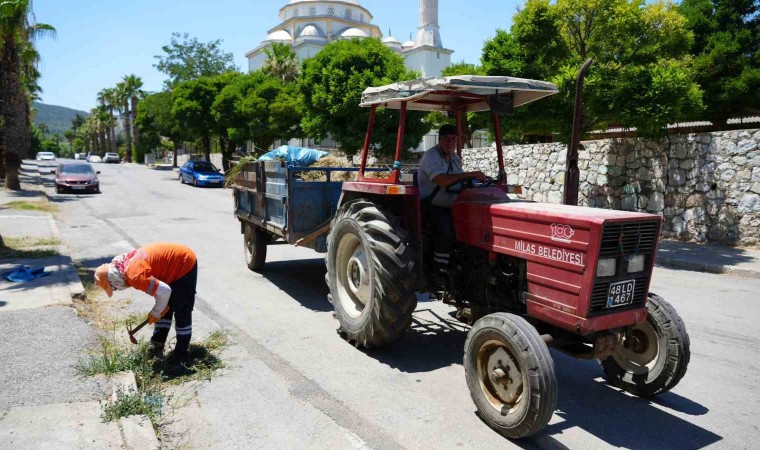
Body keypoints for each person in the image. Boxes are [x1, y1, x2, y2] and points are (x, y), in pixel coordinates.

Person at [94, 242, 198, 371]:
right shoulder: (124, 265)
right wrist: (159, 309)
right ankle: (157, 344)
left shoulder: (134, 276)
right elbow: (161, 291)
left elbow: (164, 291)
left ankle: (181, 357)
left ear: (113, 279)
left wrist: (155, 312)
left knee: (182, 310)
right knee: (165, 306)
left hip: (183, 263)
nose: (117, 290)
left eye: (113, 287)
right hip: (171, 266)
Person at [418, 125, 486, 283]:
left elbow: (458, 180)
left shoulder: (455, 158)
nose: (450, 142)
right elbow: (443, 180)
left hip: (454, 204)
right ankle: (438, 270)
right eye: (446, 139)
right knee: (447, 228)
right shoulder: (431, 157)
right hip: (431, 206)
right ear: (439, 139)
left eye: (453, 139)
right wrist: (471, 174)